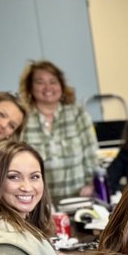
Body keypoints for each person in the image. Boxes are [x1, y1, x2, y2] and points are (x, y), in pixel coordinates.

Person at [19, 60, 100, 203]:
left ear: (61, 86)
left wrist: (91, 183)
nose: (48, 87)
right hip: (38, 201)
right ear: (30, 88)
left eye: (53, 82)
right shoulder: (22, 118)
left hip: (79, 196)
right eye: (40, 82)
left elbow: (91, 152)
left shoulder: (77, 113)